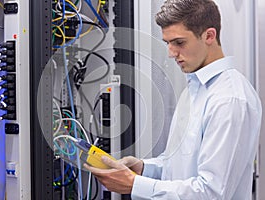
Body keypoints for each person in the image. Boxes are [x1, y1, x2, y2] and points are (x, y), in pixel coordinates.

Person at [84, 0, 262, 199]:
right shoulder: (195, 89)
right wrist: (144, 168)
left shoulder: (229, 100)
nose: (171, 53)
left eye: (179, 42)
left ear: (209, 36)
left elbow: (211, 193)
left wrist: (135, 184)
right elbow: (178, 166)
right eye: (167, 43)